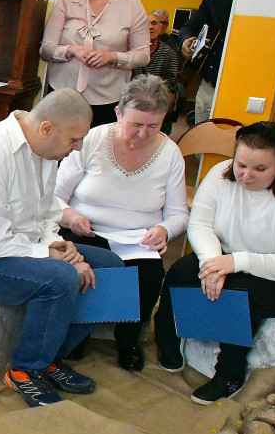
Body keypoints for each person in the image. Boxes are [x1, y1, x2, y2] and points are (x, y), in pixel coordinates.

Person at [0, 89, 126, 408]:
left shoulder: (47, 150)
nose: (77, 147)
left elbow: (47, 212)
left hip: (19, 246)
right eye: (74, 139)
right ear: (46, 128)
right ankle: (25, 370)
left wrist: (58, 245)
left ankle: (50, 358)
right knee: (62, 278)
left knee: (109, 266)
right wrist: (55, 257)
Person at [155, 121, 275, 403]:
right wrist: (212, 263)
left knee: (241, 296)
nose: (246, 175)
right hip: (225, 258)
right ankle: (168, 338)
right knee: (181, 272)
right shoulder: (220, 175)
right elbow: (200, 224)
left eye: (260, 169)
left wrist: (235, 261)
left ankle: (230, 374)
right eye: (241, 164)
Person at [55, 75, 187, 371]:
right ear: (118, 113)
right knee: (81, 263)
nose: (142, 134)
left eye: (153, 126)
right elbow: (54, 197)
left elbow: (179, 213)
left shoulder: (170, 155)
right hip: (87, 229)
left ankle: (128, 340)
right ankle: (77, 333)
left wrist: (165, 229)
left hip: (137, 239)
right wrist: (71, 216)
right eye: (135, 124)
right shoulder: (91, 140)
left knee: (150, 275)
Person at [40, 0, 149, 127]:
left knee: (98, 151)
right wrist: (70, 50)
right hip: (63, 92)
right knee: (56, 149)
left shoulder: (132, 5)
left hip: (108, 97)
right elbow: (46, 49)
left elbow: (143, 55)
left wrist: (113, 57)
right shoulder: (67, 1)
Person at [180, 0, 244, 124]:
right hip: (210, 82)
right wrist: (185, 41)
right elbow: (189, 27)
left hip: (242, 84)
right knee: (203, 139)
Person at [132, 13, 179, 91]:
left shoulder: (169, 54)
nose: (150, 27)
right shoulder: (131, 50)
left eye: (154, 23)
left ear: (160, 27)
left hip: (157, 95)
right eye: (146, 24)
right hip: (131, 94)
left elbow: (170, 85)